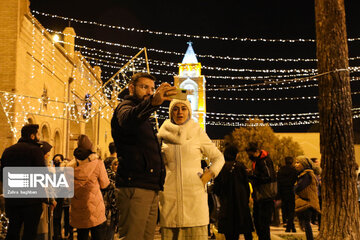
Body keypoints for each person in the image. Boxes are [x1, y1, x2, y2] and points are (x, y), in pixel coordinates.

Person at [111, 72, 176, 240]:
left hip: (149, 186)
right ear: (131, 88)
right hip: (135, 185)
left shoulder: (144, 115)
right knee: (133, 236)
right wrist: (152, 103)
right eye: (144, 87)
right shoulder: (125, 107)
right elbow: (127, 119)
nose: (149, 91)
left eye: (152, 88)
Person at [157, 99, 225, 240]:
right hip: (170, 199)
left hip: (194, 199)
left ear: (189, 111)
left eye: (183, 108)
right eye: (175, 109)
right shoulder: (162, 135)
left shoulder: (197, 132)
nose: (180, 112)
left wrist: (209, 174)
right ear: (170, 112)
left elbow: (219, 158)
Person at [1, 124, 45, 240]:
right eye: (38, 134)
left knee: (13, 231)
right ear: (32, 136)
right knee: (29, 233)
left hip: (13, 200)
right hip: (31, 201)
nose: (39, 136)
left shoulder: (8, 151)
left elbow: (3, 174)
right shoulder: (36, 151)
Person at [70, 135, 110, 240]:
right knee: (99, 236)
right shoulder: (97, 163)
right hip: (95, 209)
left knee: (81, 236)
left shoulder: (71, 166)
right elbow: (105, 184)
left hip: (78, 208)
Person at [213, 145, 254, 240]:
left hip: (226, 203)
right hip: (241, 202)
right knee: (245, 227)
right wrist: (247, 197)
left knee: (230, 232)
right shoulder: (240, 166)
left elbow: (217, 187)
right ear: (235, 154)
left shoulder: (221, 167)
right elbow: (246, 184)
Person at [246, 142, 277, 240]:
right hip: (259, 196)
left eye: (250, 154)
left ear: (256, 152)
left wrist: (252, 176)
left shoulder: (264, 161)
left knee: (263, 224)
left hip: (266, 196)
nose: (249, 157)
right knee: (258, 223)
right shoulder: (258, 161)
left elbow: (268, 176)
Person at [294, 156, 321, 240]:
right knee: (305, 224)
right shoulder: (305, 174)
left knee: (306, 223)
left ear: (304, 164)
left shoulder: (307, 175)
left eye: (298, 162)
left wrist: (294, 188)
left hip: (307, 203)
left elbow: (299, 187)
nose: (296, 165)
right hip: (306, 202)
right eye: (295, 162)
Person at [37, 141, 56, 240]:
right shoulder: (42, 164)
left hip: (43, 198)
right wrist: (52, 199)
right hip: (44, 199)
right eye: (48, 151)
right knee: (42, 226)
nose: (49, 154)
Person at [277, 156, 298, 232]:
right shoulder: (294, 171)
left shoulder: (281, 170)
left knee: (285, 209)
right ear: (292, 162)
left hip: (283, 191)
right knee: (291, 210)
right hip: (291, 191)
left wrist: (278, 194)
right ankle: (290, 226)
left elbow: (278, 182)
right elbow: (296, 180)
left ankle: (290, 226)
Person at [52, 154, 65, 240]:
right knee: (54, 217)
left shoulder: (63, 171)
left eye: (58, 161)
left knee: (58, 216)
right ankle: (55, 234)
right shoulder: (51, 171)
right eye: (55, 161)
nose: (57, 162)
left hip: (60, 196)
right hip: (53, 196)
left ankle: (58, 234)